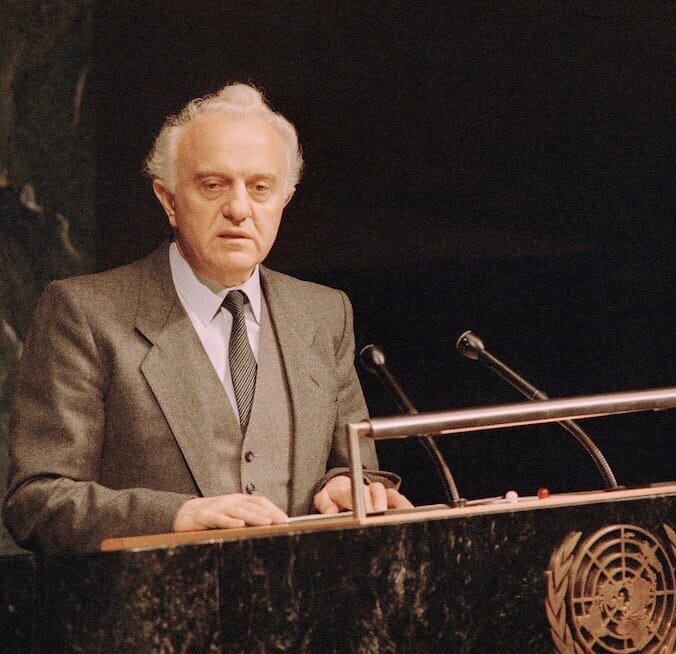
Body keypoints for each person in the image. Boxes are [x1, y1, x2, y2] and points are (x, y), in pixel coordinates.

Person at [3, 83, 411, 555]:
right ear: (168, 200)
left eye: (260, 188)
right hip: (157, 599)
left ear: (285, 199)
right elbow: (38, 501)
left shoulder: (323, 313)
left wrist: (347, 486)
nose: (238, 209)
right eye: (213, 185)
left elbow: (353, 467)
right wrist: (176, 517)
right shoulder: (86, 314)